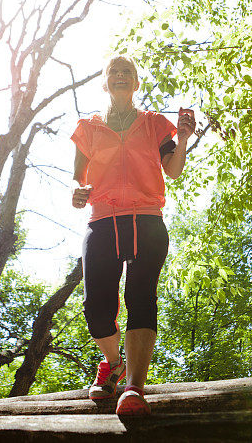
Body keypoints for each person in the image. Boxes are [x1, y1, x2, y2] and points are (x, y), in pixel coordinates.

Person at [70, 55, 195, 416]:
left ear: (137, 83)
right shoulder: (87, 129)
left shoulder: (155, 124)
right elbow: (79, 178)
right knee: (96, 309)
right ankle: (114, 362)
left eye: (128, 72)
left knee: (142, 299)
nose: (121, 76)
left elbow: (172, 171)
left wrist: (182, 138)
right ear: (105, 82)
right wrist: (77, 192)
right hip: (103, 221)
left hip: (147, 220)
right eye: (114, 71)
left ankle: (133, 389)